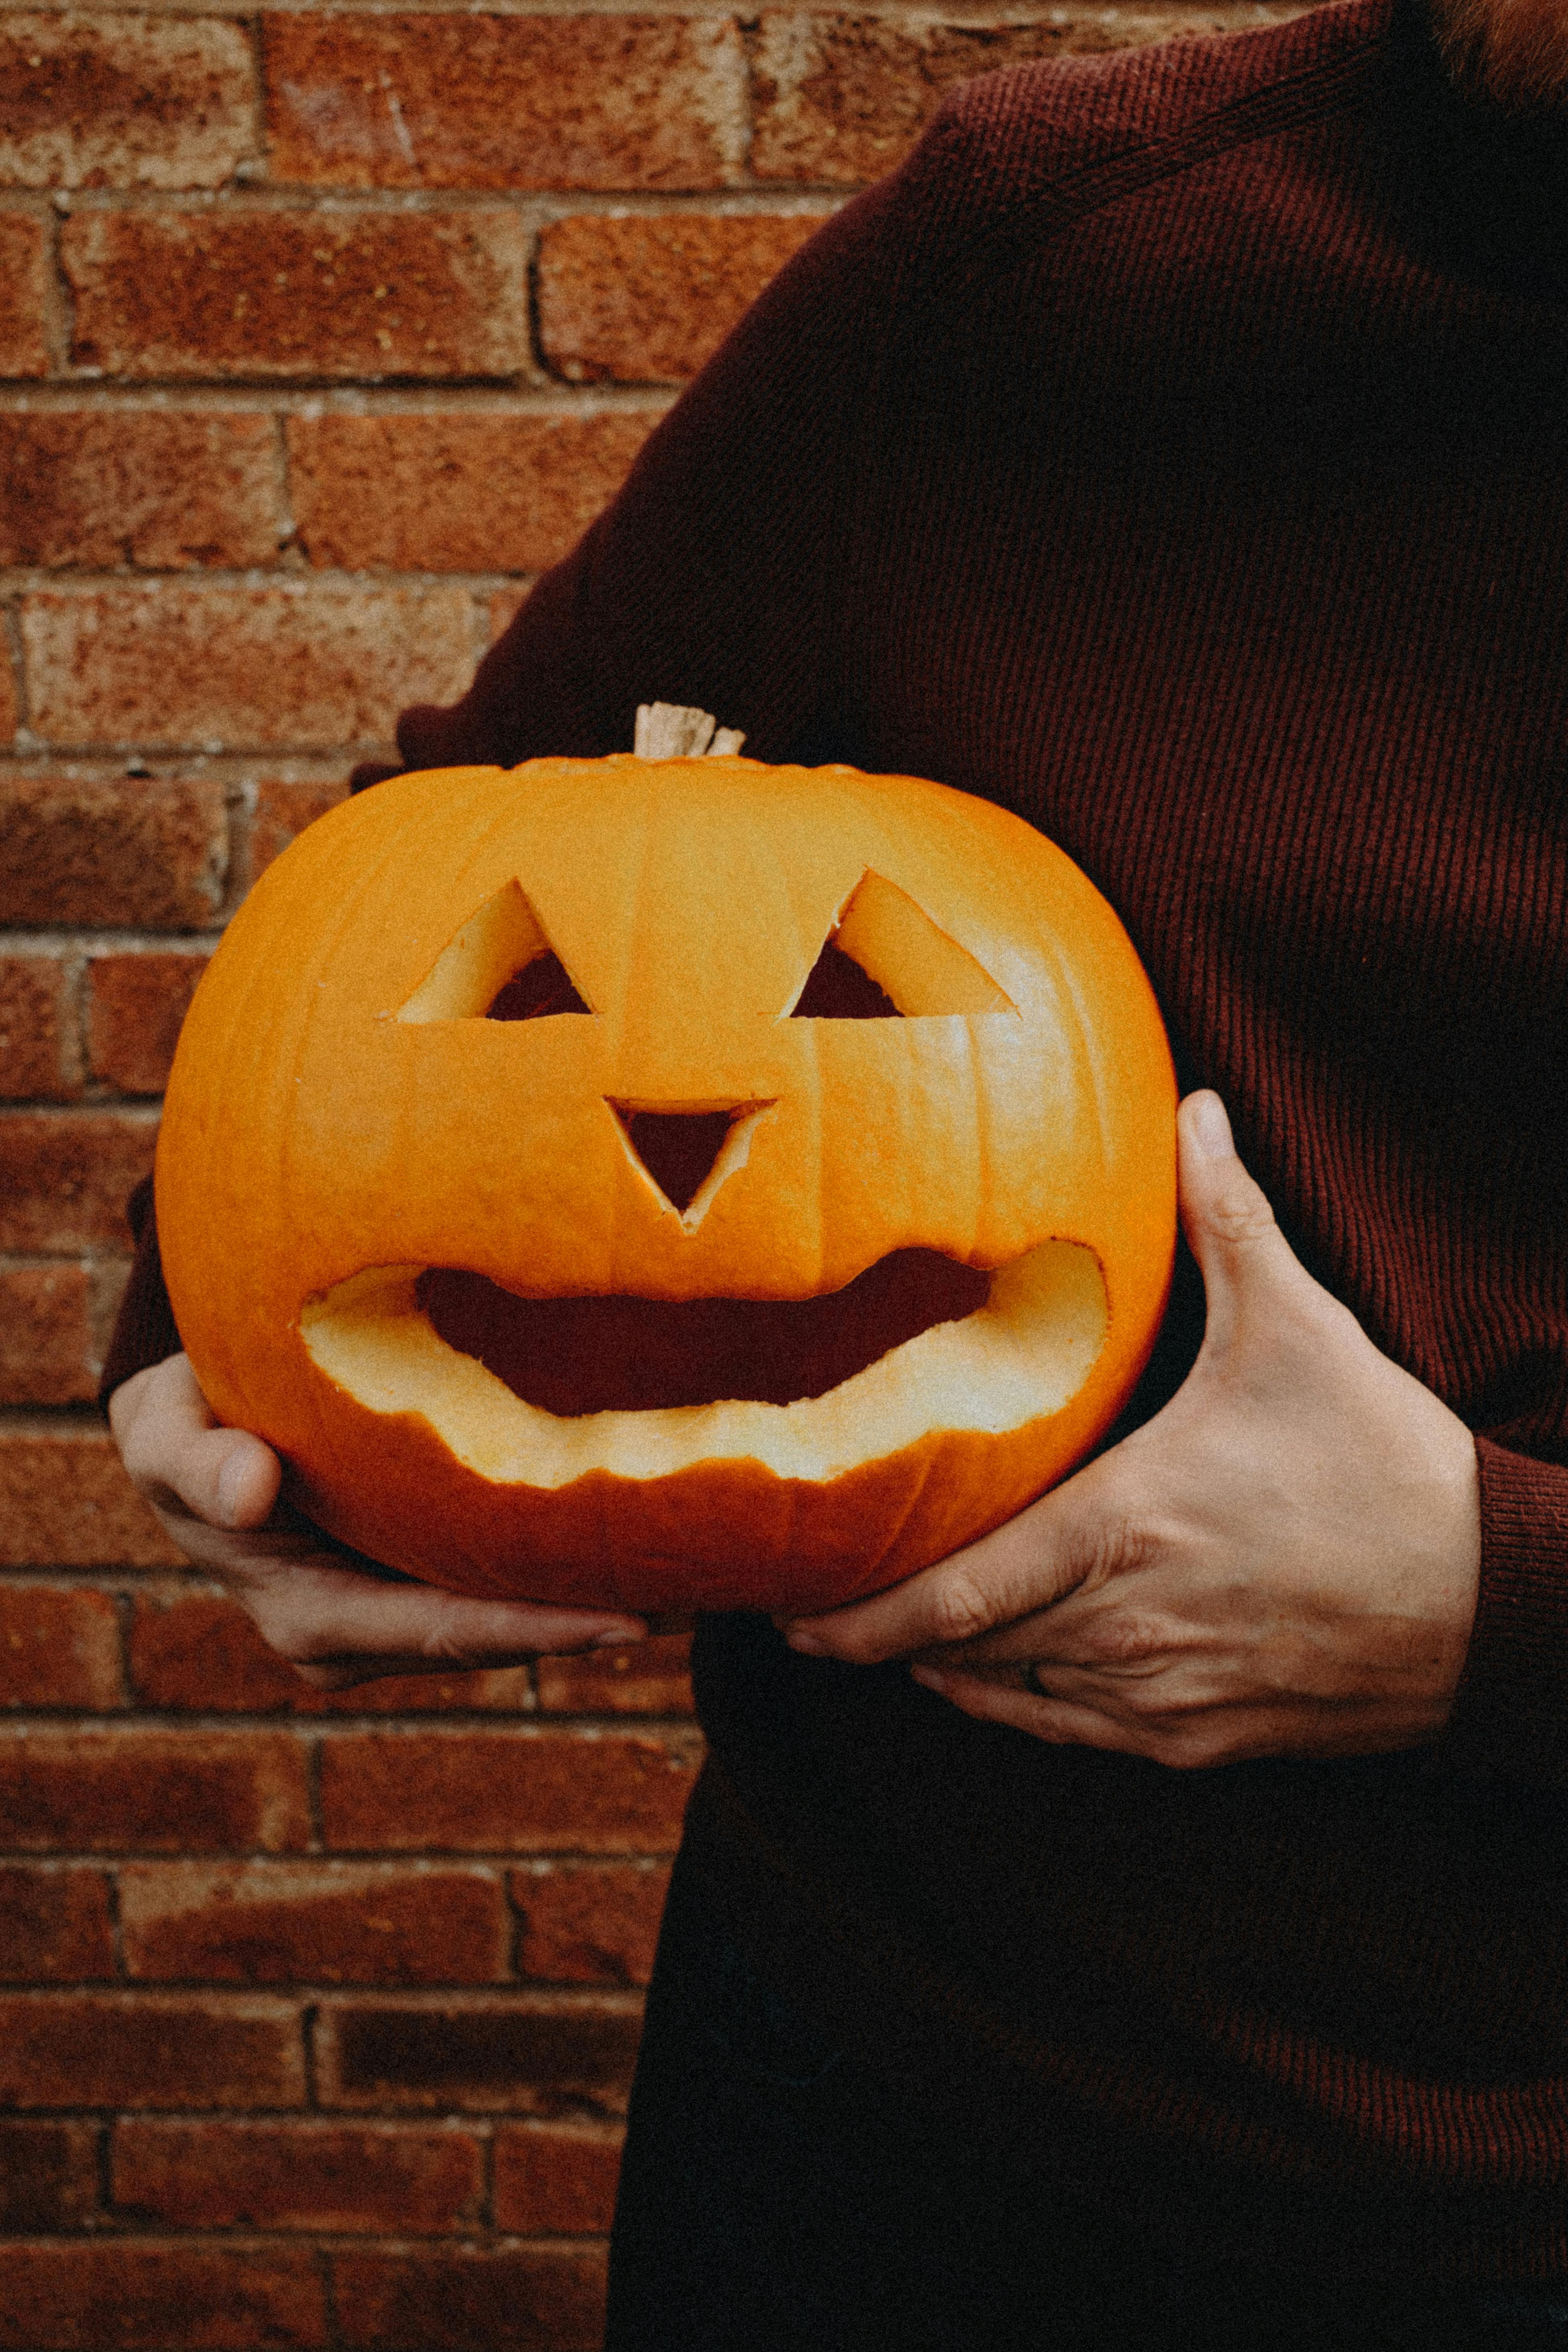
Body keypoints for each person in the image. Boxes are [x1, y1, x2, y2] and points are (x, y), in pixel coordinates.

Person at [106, 0, 1568, 2338]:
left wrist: (1495, 1612)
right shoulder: (1040, 271)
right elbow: (444, 904)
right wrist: (211, 1355)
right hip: (880, 2116)